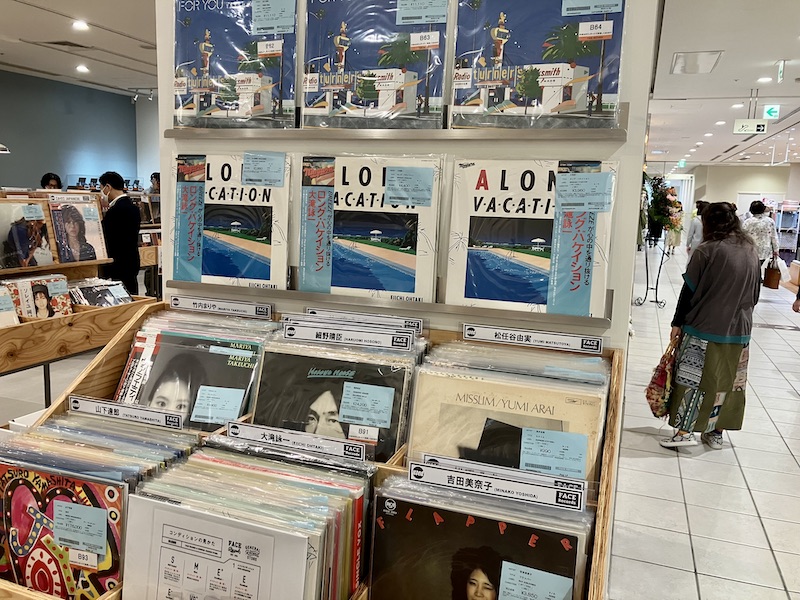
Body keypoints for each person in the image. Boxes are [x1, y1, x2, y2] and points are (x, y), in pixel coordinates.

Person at [660, 202, 761, 449]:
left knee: (693, 380)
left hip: (703, 326)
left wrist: (677, 322)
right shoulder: (750, 249)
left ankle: (684, 433)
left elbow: (689, 290)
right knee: (730, 382)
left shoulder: (707, 250)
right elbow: (755, 293)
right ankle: (715, 433)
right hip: (739, 330)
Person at [99, 171, 141, 295]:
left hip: (118, 263)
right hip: (132, 260)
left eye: (101, 189)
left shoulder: (115, 211)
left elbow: (107, 236)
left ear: (108, 187)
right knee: (132, 294)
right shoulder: (134, 208)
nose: (101, 193)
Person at [742, 200, 779, 268]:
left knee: (752, 272)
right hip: (766, 251)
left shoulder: (747, 222)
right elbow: (774, 237)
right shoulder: (770, 221)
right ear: (763, 209)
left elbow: (743, 238)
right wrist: (776, 250)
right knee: (764, 272)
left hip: (751, 251)